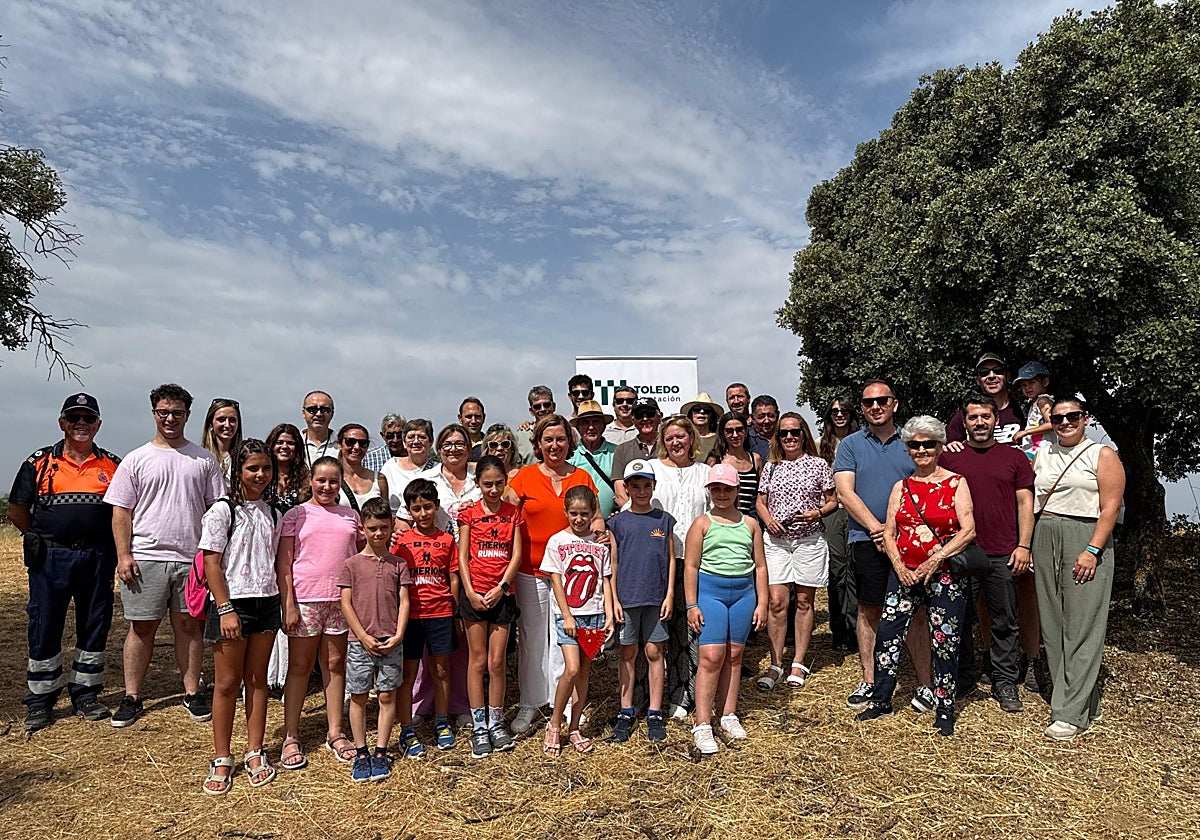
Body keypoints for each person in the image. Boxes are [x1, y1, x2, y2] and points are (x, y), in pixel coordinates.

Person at [104, 383, 225, 728]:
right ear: (154, 414)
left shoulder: (203, 460)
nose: (170, 418)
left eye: (177, 412)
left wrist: (210, 558)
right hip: (145, 558)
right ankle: (132, 696)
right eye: (164, 412)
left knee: (189, 626)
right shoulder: (136, 459)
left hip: (190, 559)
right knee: (142, 628)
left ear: (188, 415)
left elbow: (216, 509)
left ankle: (191, 692)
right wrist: (123, 555)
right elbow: (121, 512)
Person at [855, 416, 976, 736]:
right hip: (905, 573)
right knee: (887, 636)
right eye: (914, 445)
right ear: (907, 449)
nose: (921, 450)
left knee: (945, 642)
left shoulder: (956, 482)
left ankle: (945, 706)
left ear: (939, 447)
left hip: (945, 575)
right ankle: (881, 699)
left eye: (928, 444)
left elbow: (968, 530)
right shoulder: (902, 486)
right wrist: (898, 565)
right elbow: (890, 531)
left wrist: (935, 559)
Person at [9, 393, 121, 731]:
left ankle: (86, 693)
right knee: (44, 624)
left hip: (98, 556)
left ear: (98, 424)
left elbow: (123, 513)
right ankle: (41, 701)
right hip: (51, 557)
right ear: (62, 423)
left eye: (88, 419)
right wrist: (44, 538)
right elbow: (17, 510)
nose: (81, 425)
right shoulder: (38, 463)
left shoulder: (113, 465)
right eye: (74, 418)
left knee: (94, 624)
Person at [833, 380, 933, 713]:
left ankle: (925, 684)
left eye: (881, 400)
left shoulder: (912, 441)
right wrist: (878, 529)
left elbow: (926, 483)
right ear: (861, 407)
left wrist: (893, 532)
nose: (875, 406)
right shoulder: (849, 445)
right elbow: (845, 493)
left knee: (917, 612)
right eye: (868, 402)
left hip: (911, 541)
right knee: (869, 609)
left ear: (894, 404)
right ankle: (871, 680)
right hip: (866, 539)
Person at [1032, 399, 1125, 740]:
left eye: (1073, 416)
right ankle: (1083, 699)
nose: (1065, 422)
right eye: (1058, 418)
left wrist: (1092, 549)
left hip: (1085, 534)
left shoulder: (1101, 454)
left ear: (1085, 419)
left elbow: (1111, 506)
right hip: (1046, 532)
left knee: (1083, 622)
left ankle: (1070, 712)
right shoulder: (1043, 453)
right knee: (1053, 621)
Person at [503, 414, 601, 734]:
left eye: (560, 439)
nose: (554, 445)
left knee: (565, 639)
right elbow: (503, 513)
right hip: (531, 570)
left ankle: (567, 704)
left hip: (571, 574)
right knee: (532, 638)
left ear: (569, 442)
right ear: (538, 443)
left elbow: (596, 518)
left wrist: (603, 534)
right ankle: (531, 703)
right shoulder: (524, 477)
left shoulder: (582, 477)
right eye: (548, 439)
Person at [939, 395, 1035, 713]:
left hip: (1003, 552)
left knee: (1005, 619)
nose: (979, 423)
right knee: (962, 618)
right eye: (973, 418)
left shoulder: (1015, 458)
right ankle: (964, 677)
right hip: (962, 551)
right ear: (963, 423)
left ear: (996, 420)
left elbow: (1025, 504)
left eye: (985, 417)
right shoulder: (950, 459)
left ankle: (1004, 680)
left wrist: (1023, 545)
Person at [199, 439, 283, 795]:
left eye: (266, 468)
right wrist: (225, 608)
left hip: (266, 601)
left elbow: (276, 561)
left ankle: (254, 750)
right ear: (238, 471)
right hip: (233, 604)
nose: (260, 475)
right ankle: (222, 756)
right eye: (252, 468)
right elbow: (211, 562)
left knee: (258, 680)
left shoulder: (273, 512)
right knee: (227, 684)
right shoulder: (223, 511)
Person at [277, 456, 362, 770]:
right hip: (306, 601)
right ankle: (290, 735)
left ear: (341, 483)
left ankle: (336, 732)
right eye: (321, 480)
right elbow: (284, 563)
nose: (327, 487)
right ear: (310, 481)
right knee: (299, 666)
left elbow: (362, 556)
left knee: (335, 665)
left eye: (334, 481)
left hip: (340, 602)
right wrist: (289, 604)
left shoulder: (351, 517)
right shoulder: (296, 515)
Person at [685, 464, 768, 756]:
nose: (722, 494)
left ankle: (729, 714)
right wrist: (692, 604)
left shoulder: (750, 524)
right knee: (711, 657)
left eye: (727, 489)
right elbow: (691, 566)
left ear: (737, 491)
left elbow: (760, 566)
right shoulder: (702, 524)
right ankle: (703, 723)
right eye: (716, 489)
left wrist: (762, 602)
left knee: (735, 655)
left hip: (743, 594)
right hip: (711, 594)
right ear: (710, 491)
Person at [755, 413, 837, 692]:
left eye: (794, 432)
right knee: (777, 602)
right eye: (783, 433)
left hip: (808, 541)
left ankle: (798, 662)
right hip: (777, 541)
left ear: (803, 434)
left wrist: (817, 512)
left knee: (804, 600)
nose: (789, 437)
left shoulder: (818, 464)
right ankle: (776, 662)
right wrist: (768, 521)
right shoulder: (771, 467)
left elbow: (833, 500)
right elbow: (761, 500)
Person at [339, 498, 411, 782]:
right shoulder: (351, 565)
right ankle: (361, 751)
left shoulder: (399, 564)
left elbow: (405, 600)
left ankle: (381, 750)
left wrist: (399, 634)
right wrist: (363, 635)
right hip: (360, 642)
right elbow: (346, 603)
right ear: (363, 528)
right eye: (372, 528)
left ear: (391, 526)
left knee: (386, 694)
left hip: (391, 639)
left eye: (383, 527)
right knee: (358, 696)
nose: (378, 533)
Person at [456, 455, 523, 758]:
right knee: (477, 661)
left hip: (501, 596)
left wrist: (503, 588)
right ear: (478, 484)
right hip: (475, 596)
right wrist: (469, 592)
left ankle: (496, 723)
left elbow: (516, 554)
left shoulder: (513, 514)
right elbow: (462, 556)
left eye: (499, 483)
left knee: (497, 663)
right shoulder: (468, 514)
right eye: (487, 484)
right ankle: (478, 725)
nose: (494, 490)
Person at [645, 415, 711, 718]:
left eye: (681, 437)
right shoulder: (653, 470)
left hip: (696, 561)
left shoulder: (705, 472)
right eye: (670, 437)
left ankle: (685, 694)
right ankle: (651, 696)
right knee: (659, 630)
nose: (676, 442)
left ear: (692, 439)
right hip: (659, 559)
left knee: (689, 630)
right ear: (663, 441)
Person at [540, 486, 614, 756]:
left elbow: (605, 579)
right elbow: (556, 580)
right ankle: (554, 724)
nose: (579, 519)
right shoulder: (557, 541)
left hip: (594, 615)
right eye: (574, 513)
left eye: (585, 514)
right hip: (568, 617)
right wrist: (567, 614)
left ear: (594, 512)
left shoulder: (599, 543)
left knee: (584, 672)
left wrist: (608, 614)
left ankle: (574, 727)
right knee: (571, 669)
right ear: (565, 512)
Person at [608, 459, 676, 743]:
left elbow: (671, 559)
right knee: (627, 654)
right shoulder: (617, 523)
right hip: (627, 598)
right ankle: (626, 710)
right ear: (626, 488)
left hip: (655, 597)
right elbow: (611, 564)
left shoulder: (664, 520)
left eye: (646, 485)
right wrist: (613, 601)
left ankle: (655, 712)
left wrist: (670, 593)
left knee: (654, 653)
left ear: (654, 486)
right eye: (634, 486)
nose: (641, 491)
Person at [392, 479, 460, 757]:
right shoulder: (402, 542)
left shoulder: (446, 540)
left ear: (437, 507)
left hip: (440, 613)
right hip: (411, 617)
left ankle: (442, 721)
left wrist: (453, 607)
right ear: (408, 511)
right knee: (408, 674)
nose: (423, 514)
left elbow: (453, 575)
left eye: (428, 507)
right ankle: (406, 727)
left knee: (441, 670)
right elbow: (394, 577)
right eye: (416, 509)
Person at [817, 396, 860, 652]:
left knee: (854, 572)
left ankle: (855, 629)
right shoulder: (820, 443)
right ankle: (839, 630)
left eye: (844, 410)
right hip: (832, 512)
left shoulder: (861, 440)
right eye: (834, 411)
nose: (839, 414)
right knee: (837, 571)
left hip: (857, 511)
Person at [946, 355, 1025, 444]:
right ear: (977, 380)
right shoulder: (966, 414)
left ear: (1007, 376)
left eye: (998, 371)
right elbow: (949, 447)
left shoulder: (1025, 409)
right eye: (984, 372)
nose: (991, 376)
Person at [706, 411, 762, 522]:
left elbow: (761, 495)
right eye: (729, 431)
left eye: (739, 430)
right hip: (721, 521)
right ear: (723, 433)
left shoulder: (755, 459)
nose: (735, 435)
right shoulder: (716, 460)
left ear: (746, 431)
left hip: (747, 522)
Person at [427, 424, 480, 535]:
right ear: (439, 449)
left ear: (469, 448)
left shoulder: (482, 478)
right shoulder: (424, 480)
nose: (453, 449)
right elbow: (404, 520)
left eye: (459, 444)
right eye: (447, 444)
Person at [568, 400, 618, 518]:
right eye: (585, 423)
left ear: (604, 426)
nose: (591, 427)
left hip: (612, 524)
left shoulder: (617, 453)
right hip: (578, 525)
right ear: (578, 427)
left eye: (596, 422)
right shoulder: (570, 456)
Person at [610, 398, 662, 508]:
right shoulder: (622, 450)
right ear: (633, 420)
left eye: (650, 414)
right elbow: (620, 493)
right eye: (639, 415)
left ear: (660, 416)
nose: (645, 418)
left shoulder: (669, 447)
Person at [380, 418, 435, 524]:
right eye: (411, 437)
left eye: (422, 437)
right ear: (404, 442)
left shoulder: (437, 469)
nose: (416, 441)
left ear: (430, 442)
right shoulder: (390, 466)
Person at [337, 423, 389, 513]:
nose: (356, 447)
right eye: (350, 442)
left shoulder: (379, 479)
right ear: (339, 444)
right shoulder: (331, 479)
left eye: (363, 443)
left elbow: (386, 515)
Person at [1012, 362, 1055, 458]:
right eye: (1023, 385)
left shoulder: (1043, 401)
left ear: (1045, 382)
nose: (1027, 388)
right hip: (1034, 449)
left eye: (1032, 383)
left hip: (1042, 449)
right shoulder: (1034, 402)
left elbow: (1052, 424)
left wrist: (1025, 432)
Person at [266, 423, 309, 511]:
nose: (284, 447)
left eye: (290, 443)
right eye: (279, 442)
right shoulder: (263, 476)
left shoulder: (306, 479)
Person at [200, 398, 243, 484]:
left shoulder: (243, 458)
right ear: (211, 423)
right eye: (221, 420)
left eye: (232, 420)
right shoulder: (200, 457)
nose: (227, 425)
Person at [516, 385, 559, 466]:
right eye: (537, 406)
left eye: (546, 405)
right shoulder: (521, 436)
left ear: (553, 406)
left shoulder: (566, 432)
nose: (542, 409)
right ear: (531, 411)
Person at [300, 391, 339, 465]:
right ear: (303, 413)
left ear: (332, 414)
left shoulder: (343, 445)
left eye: (325, 410)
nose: (319, 414)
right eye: (312, 410)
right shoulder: (293, 444)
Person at [682, 393, 721, 463]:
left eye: (707, 410)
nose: (702, 412)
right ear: (691, 414)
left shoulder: (719, 438)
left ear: (712, 416)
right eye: (697, 409)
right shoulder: (683, 437)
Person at [748, 395, 780, 461]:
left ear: (777, 415)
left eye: (771, 416)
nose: (767, 421)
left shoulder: (787, 436)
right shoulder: (746, 439)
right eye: (761, 417)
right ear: (753, 418)